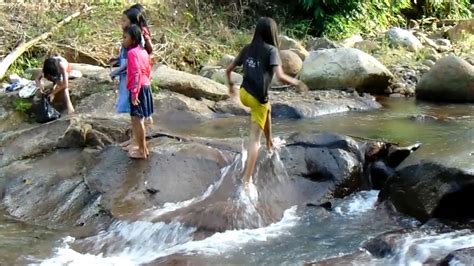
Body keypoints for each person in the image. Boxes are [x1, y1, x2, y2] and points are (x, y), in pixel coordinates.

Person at [225, 17, 308, 188]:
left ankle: (270, 143)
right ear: (273, 33)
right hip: (256, 98)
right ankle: (246, 181)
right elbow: (280, 76)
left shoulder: (247, 48)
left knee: (267, 108)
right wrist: (297, 83)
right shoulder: (271, 51)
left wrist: (231, 87)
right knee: (255, 140)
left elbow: (228, 69)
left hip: (243, 93)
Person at [123, 24, 153, 159]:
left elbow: (135, 74)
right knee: (138, 119)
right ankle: (144, 149)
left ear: (133, 39)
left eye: (125, 37)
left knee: (137, 120)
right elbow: (148, 70)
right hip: (146, 85)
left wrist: (134, 93)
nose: (123, 40)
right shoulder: (143, 52)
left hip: (138, 88)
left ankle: (141, 151)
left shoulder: (131, 53)